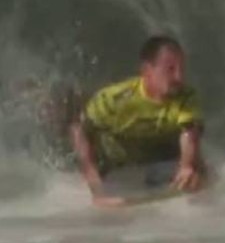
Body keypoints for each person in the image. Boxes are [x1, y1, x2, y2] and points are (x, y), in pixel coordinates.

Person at [69, 35, 207, 207]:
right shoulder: (116, 98)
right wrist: (94, 183)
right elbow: (78, 129)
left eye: (181, 69)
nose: (179, 77)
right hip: (114, 160)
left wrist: (187, 166)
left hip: (153, 158)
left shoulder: (185, 97)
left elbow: (189, 133)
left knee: (201, 173)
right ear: (147, 71)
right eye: (170, 69)